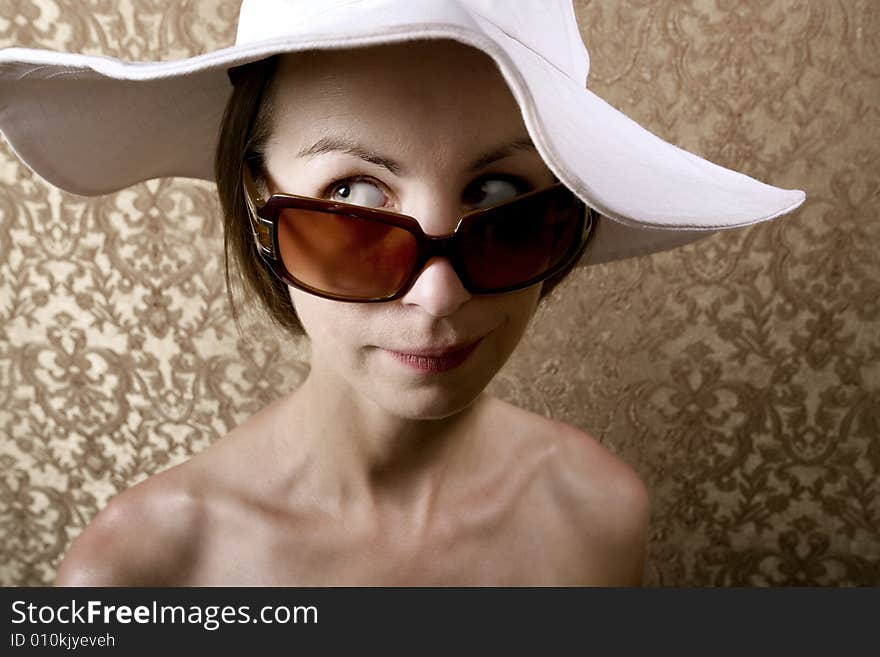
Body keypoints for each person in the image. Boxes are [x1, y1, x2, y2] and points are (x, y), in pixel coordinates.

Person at [0, 0, 804, 586]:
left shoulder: (597, 513)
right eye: (354, 198)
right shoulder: (141, 571)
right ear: (258, 203)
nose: (439, 293)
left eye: (495, 198)